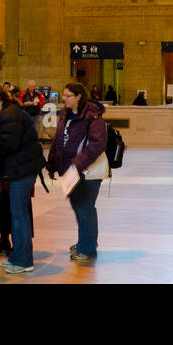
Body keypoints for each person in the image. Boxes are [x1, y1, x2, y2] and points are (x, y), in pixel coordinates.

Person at [0, 84, 44, 274]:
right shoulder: (7, 113)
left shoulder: (9, 114)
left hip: (22, 168)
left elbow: (9, 144)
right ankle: (18, 256)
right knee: (18, 214)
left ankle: (24, 261)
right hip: (20, 167)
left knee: (19, 216)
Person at [46, 82, 108, 263]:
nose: (63, 99)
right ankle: (86, 241)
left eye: (67, 96)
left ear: (78, 96)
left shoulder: (93, 116)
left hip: (88, 171)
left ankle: (87, 249)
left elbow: (97, 145)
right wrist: (52, 164)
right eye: (64, 96)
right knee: (79, 207)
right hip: (70, 170)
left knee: (84, 207)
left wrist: (77, 165)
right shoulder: (65, 115)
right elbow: (59, 140)